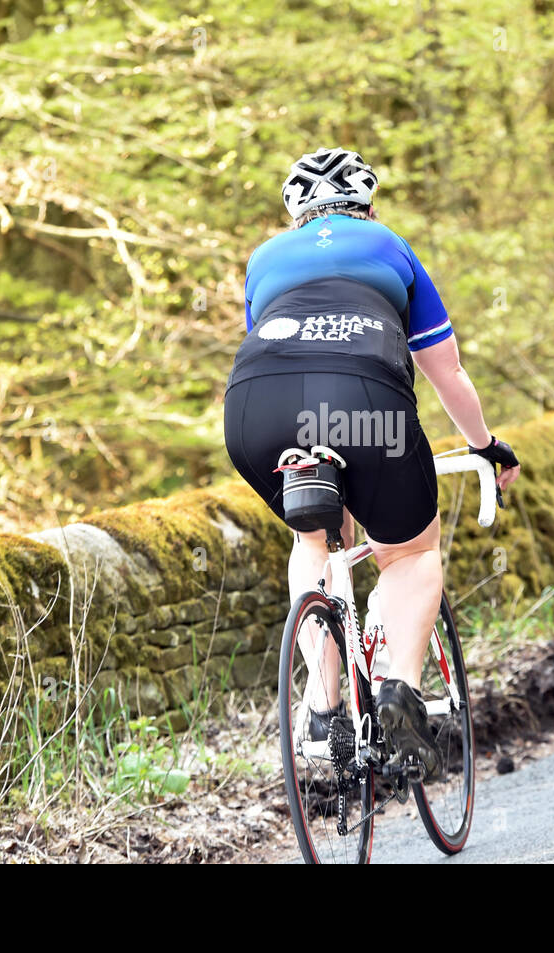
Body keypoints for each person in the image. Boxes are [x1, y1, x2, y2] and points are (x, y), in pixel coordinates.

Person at [223, 147, 519, 779]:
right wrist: (484, 445)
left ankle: (322, 707)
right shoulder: (390, 246)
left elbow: (270, 342)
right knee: (409, 554)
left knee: (316, 538)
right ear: (367, 205)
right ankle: (398, 695)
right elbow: (448, 372)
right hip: (365, 404)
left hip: (254, 407)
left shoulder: (264, 259)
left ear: (295, 212)